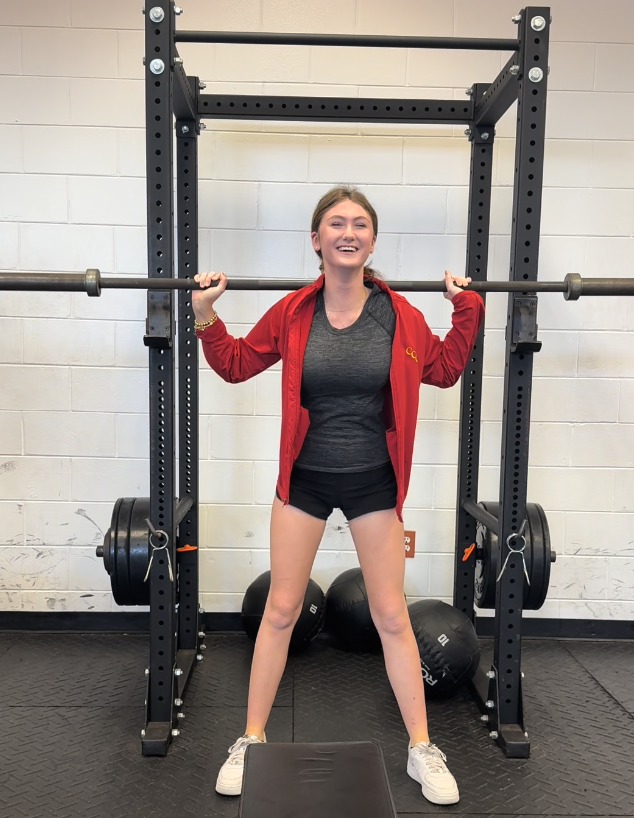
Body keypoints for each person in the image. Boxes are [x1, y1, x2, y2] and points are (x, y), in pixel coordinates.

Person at [192, 186, 485, 805]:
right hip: (304, 477)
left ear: (371, 242)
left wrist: (467, 308)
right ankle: (250, 738)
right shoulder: (294, 311)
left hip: (374, 478)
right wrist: (204, 315)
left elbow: (442, 370)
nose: (348, 232)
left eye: (359, 224)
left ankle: (421, 748)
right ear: (316, 239)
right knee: (280, 611)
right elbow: (237, 364)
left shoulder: (398, 315)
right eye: (335, 223)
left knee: (391, 616)